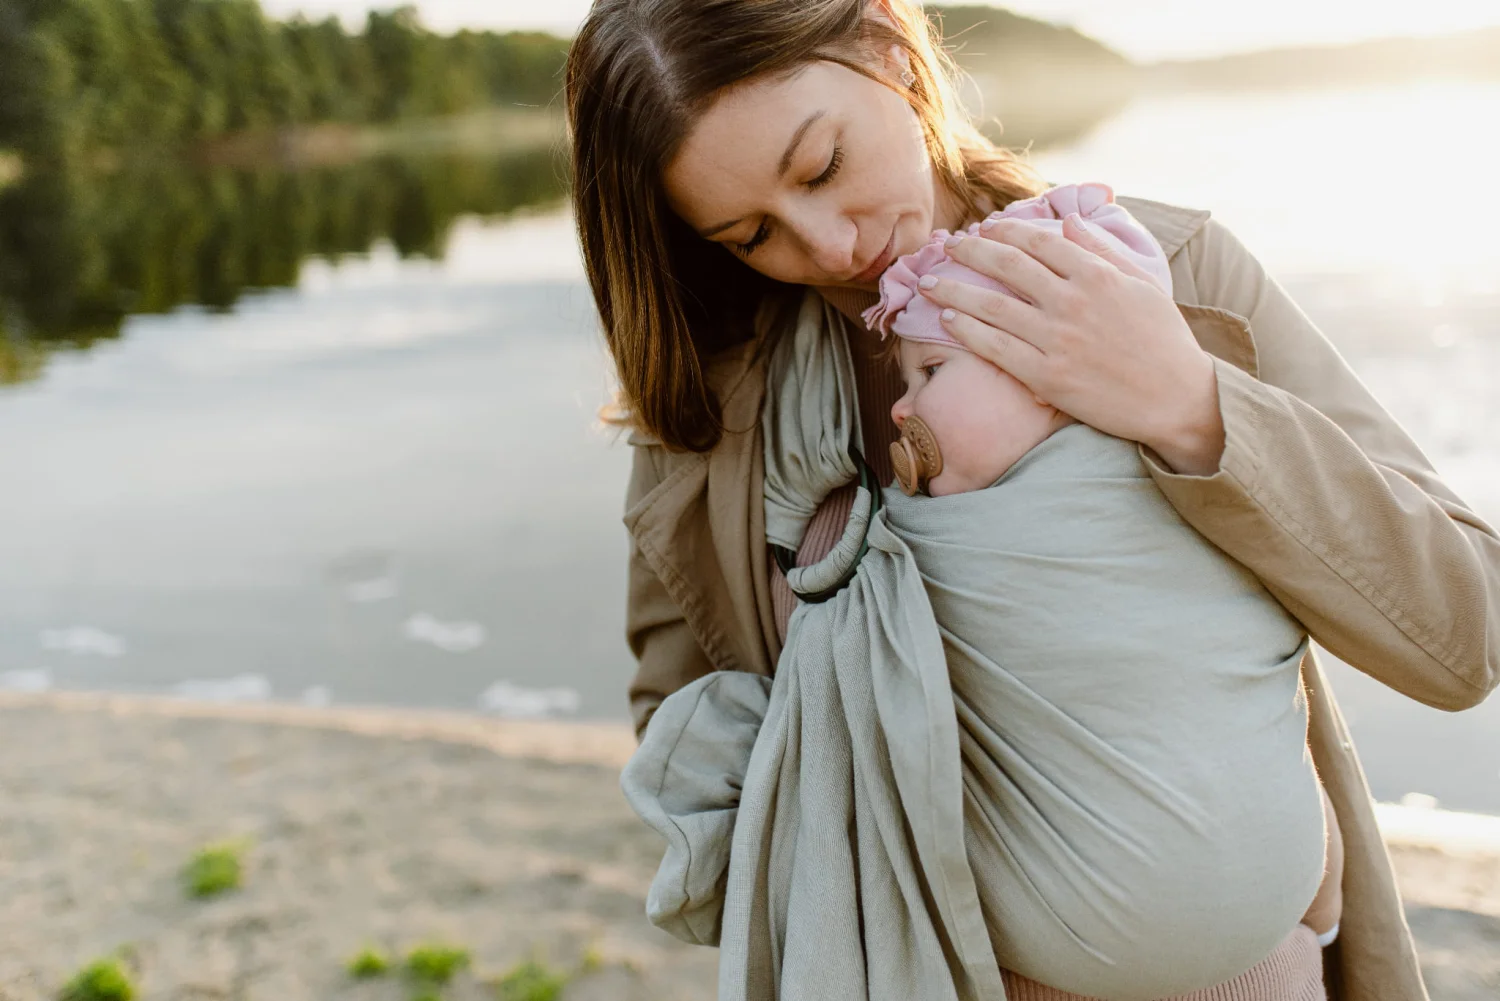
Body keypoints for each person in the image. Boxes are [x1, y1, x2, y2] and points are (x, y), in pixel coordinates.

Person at [565, 1, 1500, 999]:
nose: (830, 247)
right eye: (752, 234)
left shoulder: (1166, 273)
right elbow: (682, 721)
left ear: (888, 48)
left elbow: (1463, 629)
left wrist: (1187, 401)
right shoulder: (713, 412)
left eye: (824, 164)